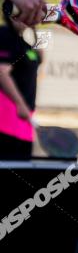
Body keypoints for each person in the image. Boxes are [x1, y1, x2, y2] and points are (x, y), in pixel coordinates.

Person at [0, 12, 42, 159]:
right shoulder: (4, 34)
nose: (27, 19)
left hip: (24, 122)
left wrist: (37, 28)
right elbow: (2, 73)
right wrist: (20, 104)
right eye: (22, 15)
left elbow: (42, 57)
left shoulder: (24, 42)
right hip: (7, 119)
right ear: (11, 16)